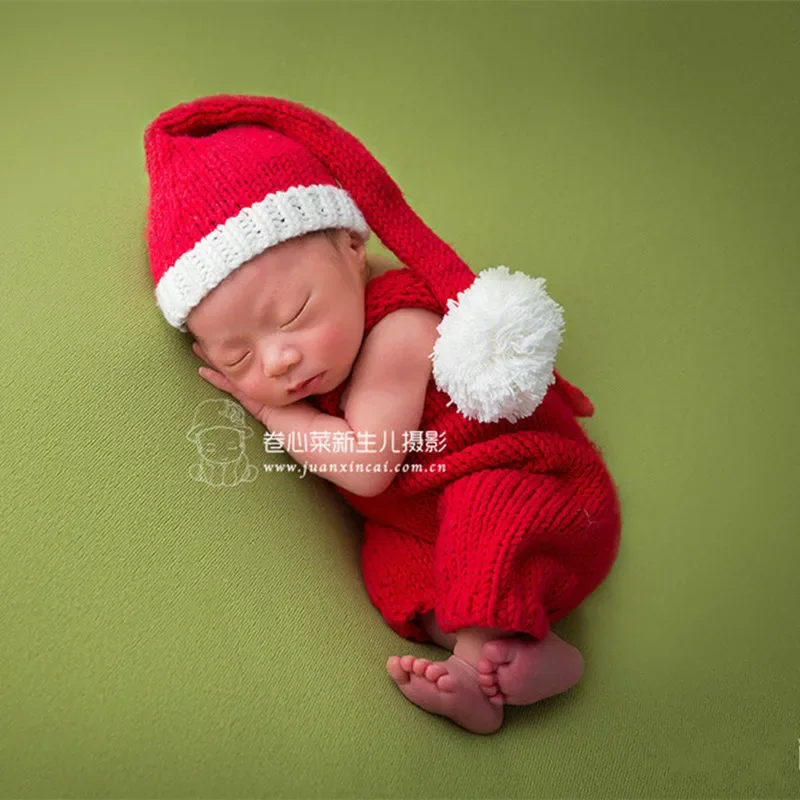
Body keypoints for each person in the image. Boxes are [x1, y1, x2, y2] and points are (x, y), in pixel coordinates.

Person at [144, 94, 622, 735]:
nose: (280, 360)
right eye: (238, 354)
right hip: (426, 520)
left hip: (538, 497)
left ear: (351, 247)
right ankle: (484, 662)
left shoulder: (400, 325)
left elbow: (366, 465)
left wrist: (265, 408)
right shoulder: (312, 363)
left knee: (487, 511)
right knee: (391, 570)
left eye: (294, 315)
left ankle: (520, 648)